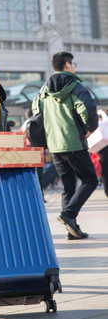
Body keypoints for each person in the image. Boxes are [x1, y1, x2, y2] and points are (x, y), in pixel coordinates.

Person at [32, 51, 98, 240]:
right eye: (73, 64)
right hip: (73, 142)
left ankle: (72, 229)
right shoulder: (74, 86)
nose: (74, 67)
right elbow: (87, 108)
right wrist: (90, 128)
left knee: (68, 187)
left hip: (54, 144)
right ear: (68, 65)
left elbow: (36, 111)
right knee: (90, 180)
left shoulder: (44, 89)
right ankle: (68, 215)